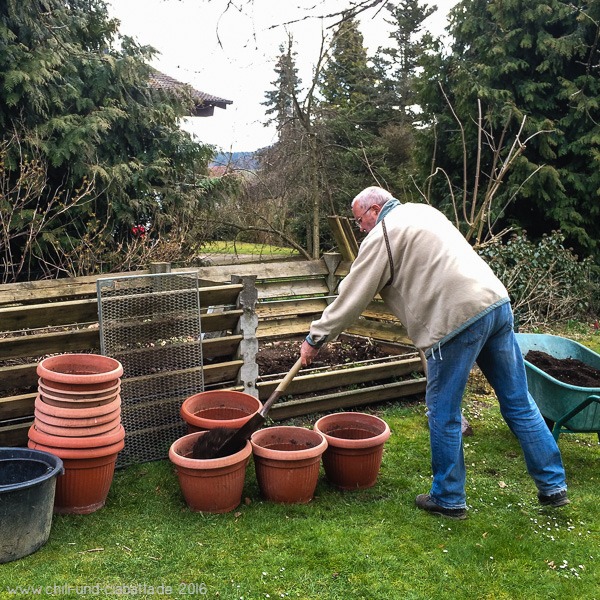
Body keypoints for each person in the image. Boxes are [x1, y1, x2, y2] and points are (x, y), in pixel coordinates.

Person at [300, 186, 568, 520]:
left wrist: (316, 337)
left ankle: (449, 498)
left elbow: (352, 296)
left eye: (359, 221)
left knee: (443, 412)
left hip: (454, 321)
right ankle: (554, 486)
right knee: (518, 401)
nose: (360, 230)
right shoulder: (423, 211)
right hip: (495, 303)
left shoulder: (383, 233)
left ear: (373, 210)